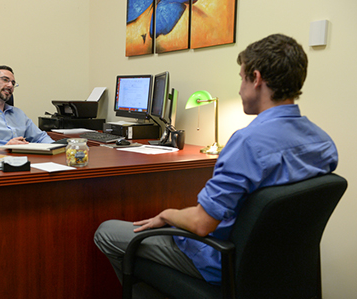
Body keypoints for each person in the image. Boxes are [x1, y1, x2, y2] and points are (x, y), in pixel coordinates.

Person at [94, 34, 339, 287]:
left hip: (221, 261)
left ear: (255, 79)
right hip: (282, 269)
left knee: (108, 232)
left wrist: (168, 214)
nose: (239, 88)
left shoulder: (247, 143)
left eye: (241, 78)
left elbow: (202, 224)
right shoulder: (323, 143)